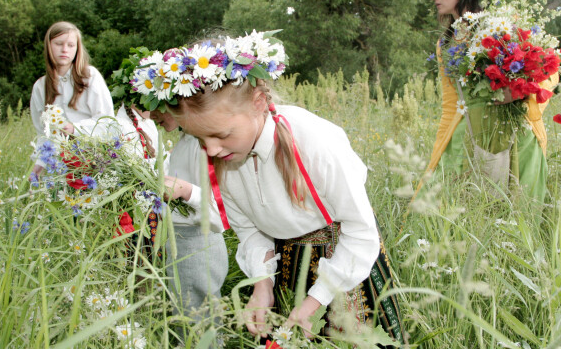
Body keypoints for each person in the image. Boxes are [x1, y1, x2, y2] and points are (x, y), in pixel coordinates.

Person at [132, 33, 407, 346]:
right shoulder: (225, 157)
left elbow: (360, 233)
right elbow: (248, 229)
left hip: (344, 262)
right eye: (199, 139)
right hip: (286, 262)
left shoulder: (315, 142)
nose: (211, 149)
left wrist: (313, 303)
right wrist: (263, 286)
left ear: (259, 103)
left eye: (221, 134)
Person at [412, 0, 557, 204]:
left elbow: (550, 69)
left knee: (517, 216)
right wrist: (441, 150)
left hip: (515, 135)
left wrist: (518, 92)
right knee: (459, 214)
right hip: (467, 132)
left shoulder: (500, 25)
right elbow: (450, 104)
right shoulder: (445, 43)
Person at [109, 51, 228, 327]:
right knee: (186, 324)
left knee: (199, 327)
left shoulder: (203, 143)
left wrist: (186, 190)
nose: (150, 114)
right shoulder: (186, 141)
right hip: (182, 242)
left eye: (156, 105)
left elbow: (221, 213)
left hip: (199, 243)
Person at [30, 21, 114, 177]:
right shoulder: (40, 87)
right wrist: (39, 163)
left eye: (70, 45)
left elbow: (107, 122)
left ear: (77, 48)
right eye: (59, 44)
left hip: (93, 159)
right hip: (58, 165)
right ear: (49, 46)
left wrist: (74, 128)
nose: (64, 50)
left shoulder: (90, 77)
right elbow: (42, 134)